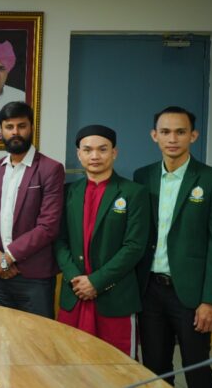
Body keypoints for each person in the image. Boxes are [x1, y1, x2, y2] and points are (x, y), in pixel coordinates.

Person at [134, 106, 212, 387]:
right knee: (155, 370)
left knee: (198, 370)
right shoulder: (143, 176)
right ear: (154, 136)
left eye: (180, 132)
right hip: (150, 291)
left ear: (193, 136)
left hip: (192, 296)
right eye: (165, 132)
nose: (172, 139)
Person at [54, 125, 149, 357]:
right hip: (75, 293)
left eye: (102, 149)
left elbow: (134, 247)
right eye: (87, 150)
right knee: (69, 362)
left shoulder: (133, 192)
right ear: (79, 154)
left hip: (115, 296)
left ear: (114, 152)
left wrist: (96, 282)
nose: (95, 156)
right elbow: (59, 240)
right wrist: (75, 279)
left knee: (117, 366)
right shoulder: (67, 192)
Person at [0, 101, 64, 318]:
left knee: (36, 337)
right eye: (9, 127)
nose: (15, 132)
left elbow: (48, 226)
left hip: (34, 277)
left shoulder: (50, 169)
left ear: (32, 127)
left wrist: (9, 257)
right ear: (1, 130)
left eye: (21, 126)